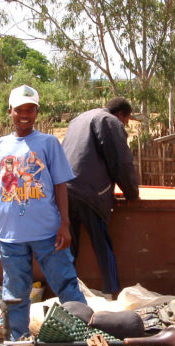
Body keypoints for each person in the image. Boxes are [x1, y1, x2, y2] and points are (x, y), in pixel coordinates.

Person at [0, 85, 87, 340]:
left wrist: (64, 224)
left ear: (37, 112)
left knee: (66, 284)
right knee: (14, 292)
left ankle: (83, 336)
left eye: (30, 110)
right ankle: (18, 340)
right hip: (9, 235)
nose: (24, 115)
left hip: (47, 231)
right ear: (10, 112)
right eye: (19, 110)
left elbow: (60, 185)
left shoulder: (48, 143)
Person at [62, 97, 140, 296]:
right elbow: (120, 161)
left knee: (70, 248)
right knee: (102, 245)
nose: (125, 125)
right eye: (126, 120)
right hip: (89, 192)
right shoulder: (109, 121)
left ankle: (67, 295)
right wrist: (132, 192)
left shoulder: (78, 119)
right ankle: (110, 294)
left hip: (63, 189)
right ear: (121, 114)